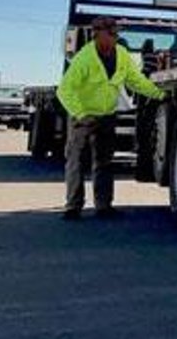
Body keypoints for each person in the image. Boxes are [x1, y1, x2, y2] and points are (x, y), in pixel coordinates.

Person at [56, 17, 165, 219]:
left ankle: (103, 206)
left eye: (117, 33)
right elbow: (64, 90)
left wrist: (159, 94)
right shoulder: (84, 58)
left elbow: (135, 81)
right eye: (112, 33)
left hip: (107, 115)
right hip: (83, 117)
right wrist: (81, 113)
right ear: (98, 34)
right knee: (76, 161)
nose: (116, 37)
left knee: (104, 162)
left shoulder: (122, 55)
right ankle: (73, 206)